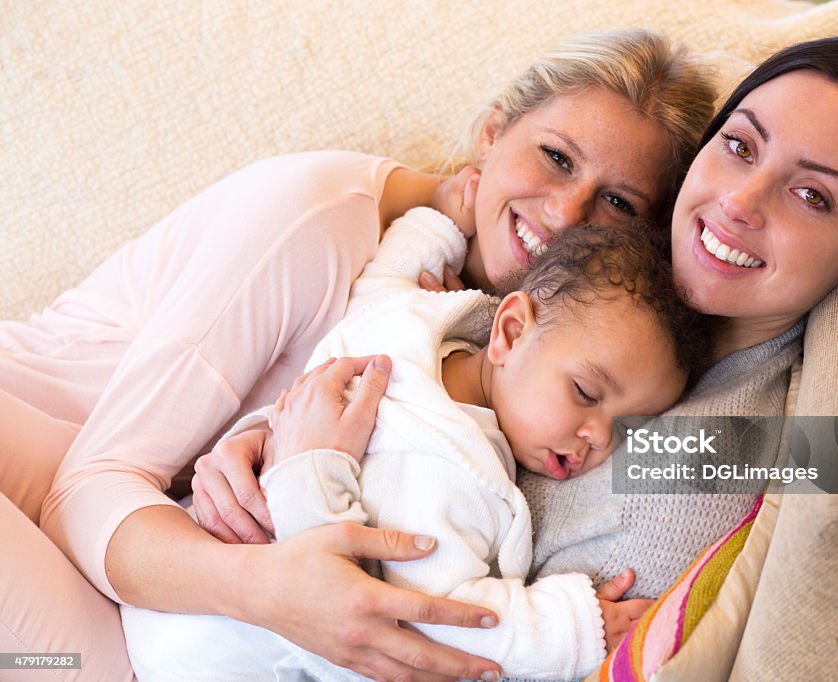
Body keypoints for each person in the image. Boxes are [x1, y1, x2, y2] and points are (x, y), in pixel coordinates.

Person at [194, 32, 838, 676]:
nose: (739, 203)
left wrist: (305, 477)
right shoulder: (622, 272)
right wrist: (268, 432)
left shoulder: (688, 462)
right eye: (741, 147)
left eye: (813, 195)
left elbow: (434, 619)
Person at [0, 29, 714, 681]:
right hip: (46, 484)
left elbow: (766, 460)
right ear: (492, 131)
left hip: (130, 568)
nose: (565, 215)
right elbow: (86, 489)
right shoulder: (316, 224)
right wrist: (282, 592)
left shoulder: (540, 345)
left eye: (618, 204)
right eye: (555, 157)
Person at [121, 197, 711, 678]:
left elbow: (385, 278)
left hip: (176, 595)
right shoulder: (449, 467)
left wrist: (436, 222)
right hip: (227, 654)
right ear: (508, 331)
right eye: (584, 392)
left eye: (628, 429)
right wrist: (574, 628)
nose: (597, 440)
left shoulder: (409, 324)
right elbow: (434, 614)